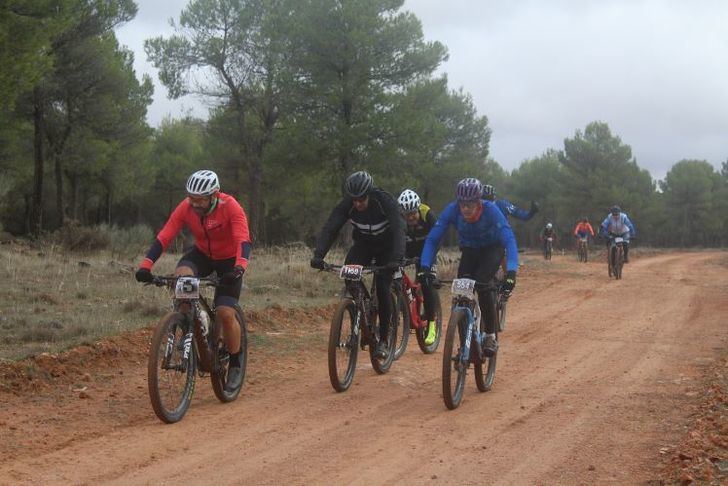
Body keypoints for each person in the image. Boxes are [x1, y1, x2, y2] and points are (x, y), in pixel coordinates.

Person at [135, 170, 251, 392]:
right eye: (191, 198)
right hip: (201, 255)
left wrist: (239, 268)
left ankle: (235, 361)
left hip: (229, 261)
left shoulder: (230, 206)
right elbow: (165, 236)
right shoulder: (186, 207)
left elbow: (243, 240)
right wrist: (146, 266)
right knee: (182, 279)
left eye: (200, 199)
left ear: (214, 195)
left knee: (226, 313)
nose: (194, 204)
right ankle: (188, 320)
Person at [310, 171, 405, 358]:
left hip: (387, 248)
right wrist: (319, 255)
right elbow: (331, 228)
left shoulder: (384, 201)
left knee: (383, 286)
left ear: (369, 194)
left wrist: (397, 258)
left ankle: (384, 340)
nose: (358, 204)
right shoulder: (347, 205)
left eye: (362, 199)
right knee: (349, 277)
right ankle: (361, 310)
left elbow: (399, 230)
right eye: (355, 200)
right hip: (364, 245)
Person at [419, 178, 518, 356]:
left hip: (492, 249)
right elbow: (433, 239)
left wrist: (511, 272)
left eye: (470, 204)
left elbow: (509, 239)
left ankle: (490, 334)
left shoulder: (491, 210)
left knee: (482, 283)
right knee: (462, 290)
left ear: (479, 201)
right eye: (462, 204)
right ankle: (465, 341)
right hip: (470, 250)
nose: (465, 208)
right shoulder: (452, 210)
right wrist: (424, 267)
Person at [397, 189, 438, 345]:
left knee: (426, 282)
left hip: (428, 249)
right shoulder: (400, 221)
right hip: (410, 249)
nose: (411, 217)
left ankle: (432, 325)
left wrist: (428, 260)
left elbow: (438, 237)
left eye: (413, 213)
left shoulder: (428, 215)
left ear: (418, 208)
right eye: (407, 215)